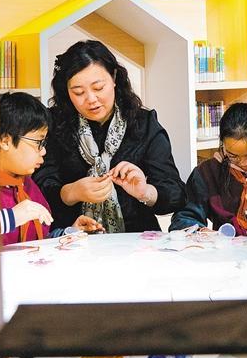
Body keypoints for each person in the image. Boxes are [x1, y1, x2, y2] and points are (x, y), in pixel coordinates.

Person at [0, 92, 102, 280]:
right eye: (38, 142)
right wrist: (9, 218)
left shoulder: (26, 185)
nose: (43, 151)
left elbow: (34, 242)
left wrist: (67, 234)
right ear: (5, 140)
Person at [34, 40, 185, 233]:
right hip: (72, 237)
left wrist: (145, 192)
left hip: (136, 239)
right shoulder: (53, 124)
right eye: (78, 92)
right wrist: (71, 192)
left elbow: (176, 194)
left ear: (114, 78)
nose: (91, 99)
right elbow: (36, 190)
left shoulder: (143, 123)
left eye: (98, 88)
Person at [169, 102, 247, 236]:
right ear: (222, 145)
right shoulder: (208, 172)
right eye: (233, 156)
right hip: (223, 247)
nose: (243, 163)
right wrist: (201, 231)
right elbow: (184, 218)